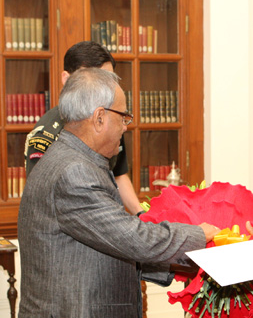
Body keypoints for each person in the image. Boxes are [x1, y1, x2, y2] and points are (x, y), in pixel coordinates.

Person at [18, 68, 220, 318]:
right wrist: (200, 235)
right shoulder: (74, 171)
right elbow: (133, 238)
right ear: (99, 117)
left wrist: (182, 264)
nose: (126, 127)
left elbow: (108, 245)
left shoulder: (73, 160)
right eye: (123, 117)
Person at [24, 41, 143, 216]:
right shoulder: (46, 133)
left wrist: (141, 215)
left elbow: (118, 174)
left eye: (109, 80)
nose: (105, 88)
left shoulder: (112, 121)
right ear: (66, 79)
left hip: (104, 215)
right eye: (96, 79)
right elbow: (43, 199)